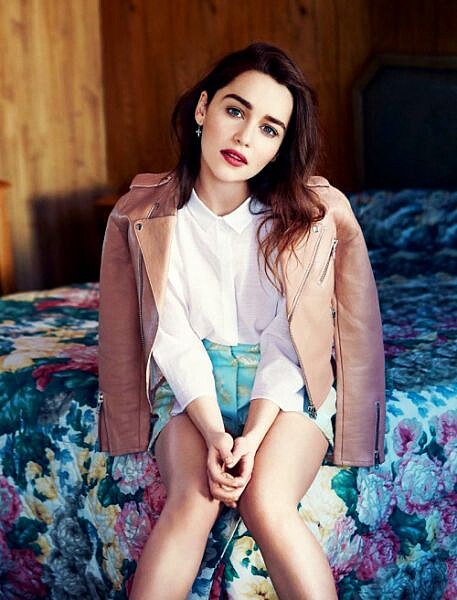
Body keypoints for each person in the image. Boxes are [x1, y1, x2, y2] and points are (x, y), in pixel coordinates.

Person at [96, 41, 385, 600]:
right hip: (189, 383)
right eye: (236, 110)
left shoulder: (304, 219)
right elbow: (171, 337)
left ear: (279, 148)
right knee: (194, 499)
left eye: (269, 129)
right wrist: (212, 432)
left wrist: (250, 437)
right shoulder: (149, 217)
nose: (246, 137)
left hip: (282, 384)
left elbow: (290, 341)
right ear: (204, 108)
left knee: (264, 501)